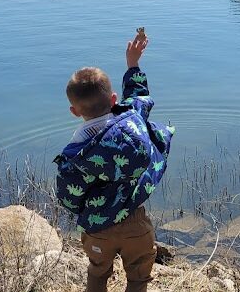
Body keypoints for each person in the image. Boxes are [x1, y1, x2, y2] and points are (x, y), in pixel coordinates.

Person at [54, 29, 175, 292]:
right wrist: (133, 65)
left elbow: (67, 197)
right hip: (135, 223)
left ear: (74, 111)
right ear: (113, 100)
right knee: (138, 278)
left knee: (97, 274)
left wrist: (89, 210)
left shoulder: (75, 155)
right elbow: (139, 97)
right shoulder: (133, 120)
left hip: (97, 228)